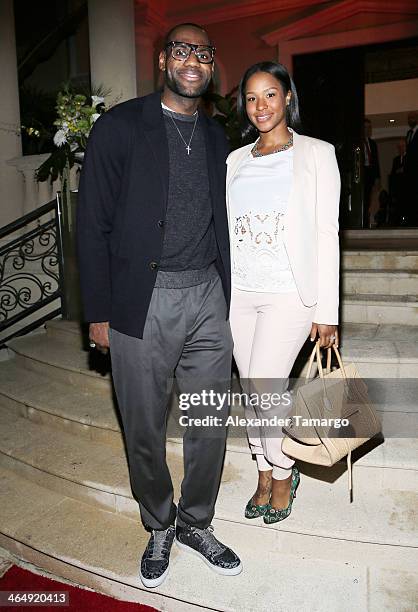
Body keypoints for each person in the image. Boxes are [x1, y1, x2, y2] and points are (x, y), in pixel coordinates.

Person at [77, 22, 242, 589]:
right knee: (143, 426)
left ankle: (197, 522)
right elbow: (92, 224)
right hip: (143, 298)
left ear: (211, 64)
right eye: (181, 50)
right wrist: (98, 311)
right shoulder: (120, 127)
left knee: (208, 419)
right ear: (163, 60)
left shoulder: (219, 136)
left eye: (203, 51)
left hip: (207, 297)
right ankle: (159, 522)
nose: (192, 60)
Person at [226, 62, 340, 524]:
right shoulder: (234, 160)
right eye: (251, 98)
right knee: (253, 391)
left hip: (290, 293)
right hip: (240, 293)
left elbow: (326, 233)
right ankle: (260, 467)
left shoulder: (316, 153)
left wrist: (327, 310)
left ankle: (283, 470)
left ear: (288, 96)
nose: (260, 106)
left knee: (265, 385)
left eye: (270, 95)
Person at [363, 118, 380, 228]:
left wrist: (377, 177)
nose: (368, 129)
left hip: (370, 174)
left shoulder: (372, 143)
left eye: (370, 127)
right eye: (366, 127)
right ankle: (362, 220)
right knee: (362, 198)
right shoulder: (357, 142)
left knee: (369, 198)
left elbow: (376, 161)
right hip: (361, 174)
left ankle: (367, 220)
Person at [404, 111, 418, 225]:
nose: (410, 120)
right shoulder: (408, 133)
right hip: (410, 172)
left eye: (413, 117)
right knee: (411, 196)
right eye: (409, 118)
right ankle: (412, 221)